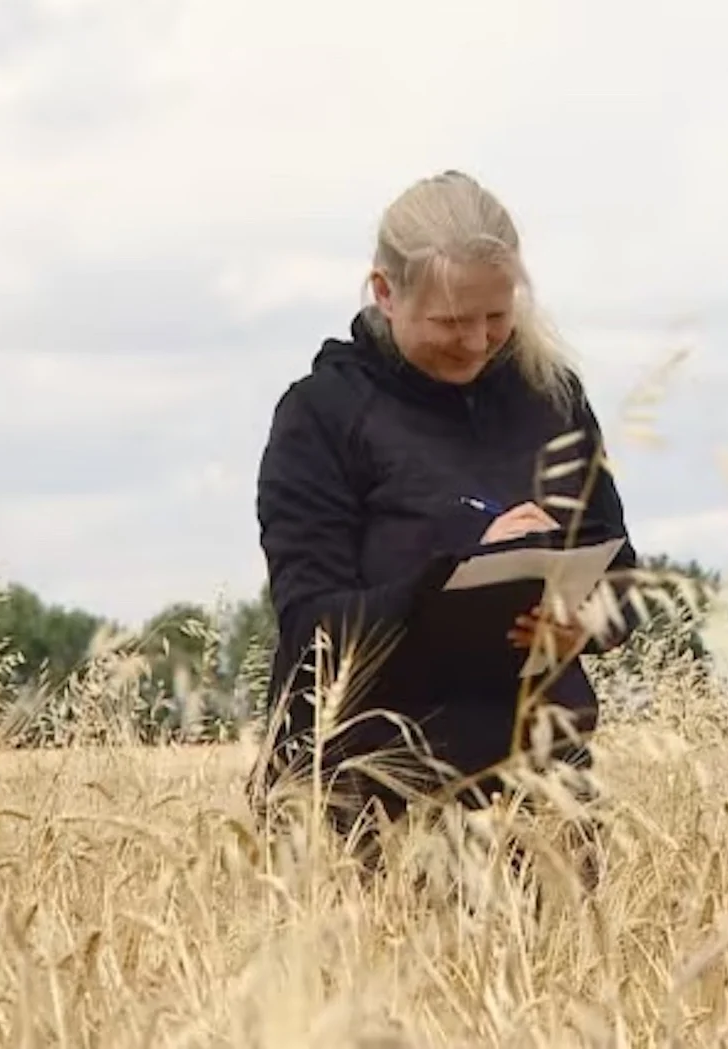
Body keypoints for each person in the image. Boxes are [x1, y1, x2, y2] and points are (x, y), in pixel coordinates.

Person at [248, 170, 639, 884]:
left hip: (539, 807)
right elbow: (312, 625)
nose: (478, 341)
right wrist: (465, 568)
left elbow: (622, 574)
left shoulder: (551, 397)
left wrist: (584, 620)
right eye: (451, 322)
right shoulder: (320, 417)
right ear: (384, 292)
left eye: (496, 315)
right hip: (363, 806)